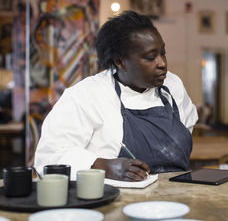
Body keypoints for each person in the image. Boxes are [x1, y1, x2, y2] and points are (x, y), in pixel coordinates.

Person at [35, 11, 198, 181]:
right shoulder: (86, 95)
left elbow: (186, 129)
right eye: (150, 57)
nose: (162, 64)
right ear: (119, 62)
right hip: (117, 199)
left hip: (177, 197)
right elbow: (48, 156)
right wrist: (101, 166)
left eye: (162, 53)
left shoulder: (172, 85)